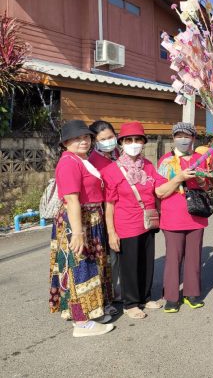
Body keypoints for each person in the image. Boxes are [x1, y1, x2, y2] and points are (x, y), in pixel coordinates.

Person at [49, 120, 114, 337]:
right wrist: (77, 233)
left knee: (91, 268)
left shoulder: (82, 160)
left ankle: (92, 310)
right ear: (66, 142)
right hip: (77, 222)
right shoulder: (68, 163)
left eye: (86, 137)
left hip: (90, 219)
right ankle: (81, 322)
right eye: (77, 138)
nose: (83, 141)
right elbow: (72, 200)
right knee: (78, 270)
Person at [103, 121, 163, 319]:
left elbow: (159, 189)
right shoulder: (112, 170)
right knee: (129, 266)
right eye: (129, 140)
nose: (134, 143)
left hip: (147, 222)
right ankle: (130, 303)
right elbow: (109, 205)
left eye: (138, 139)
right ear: (121, 143)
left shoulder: (148, 166)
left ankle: (145, 297)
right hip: (126, 225)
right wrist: (111, 232)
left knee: (146, 263)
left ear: (144, 142)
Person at [156, 122, 209, 313]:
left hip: (196, 216)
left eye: (187, 136)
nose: (183, 139)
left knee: (194, 257)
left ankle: (192, 293)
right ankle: (171, 296)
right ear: (173, 138)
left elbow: (206, 188)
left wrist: (202, 180)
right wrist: (179, 178)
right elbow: (160, 191)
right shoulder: (165, 161)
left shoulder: (200, 158)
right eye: (179, 136)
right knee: (173, 258)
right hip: (172, 218)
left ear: (194, 139)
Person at [88, 120, 121, 307]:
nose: (108, 141)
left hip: (120, 210)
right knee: (108, 256)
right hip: (103, 212)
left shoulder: (117, 153)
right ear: (95, 141)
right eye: (103, 139)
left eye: (110, 137)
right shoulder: (93, 161)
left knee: (117, 255)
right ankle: (107, 295)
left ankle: (115, 290)